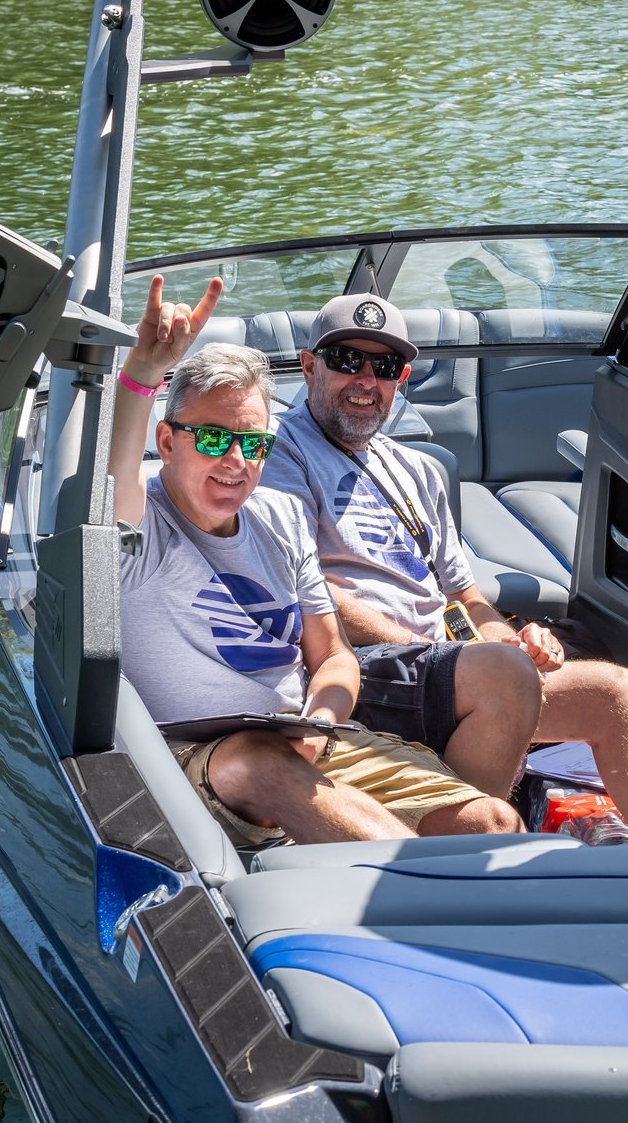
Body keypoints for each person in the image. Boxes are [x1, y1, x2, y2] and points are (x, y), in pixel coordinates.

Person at [258, 293, 628, 841]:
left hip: (441, 669)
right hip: (354, 670)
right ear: (309, 367)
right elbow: (301, 584)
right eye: (347, 361)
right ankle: (455, 865)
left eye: (385, 367)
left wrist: (512, 640)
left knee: (618, 693)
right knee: (498, 681)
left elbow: (467, 598)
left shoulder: (414, 469)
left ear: (402, 378)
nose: (366, 381)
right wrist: (446, 654)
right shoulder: (277, 453)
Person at [107, 277, 519, 845]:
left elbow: (334, 658)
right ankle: (411, 887)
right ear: (168, 442)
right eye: (211, 439)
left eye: (252, 444)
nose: (234, 460)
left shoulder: (280, 517)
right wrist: (143, 373)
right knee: (256, 762)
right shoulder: (142, 526)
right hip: (201, 761)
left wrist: (321, 722)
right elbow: (115, 470)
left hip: (303, 743)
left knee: (492, 823)